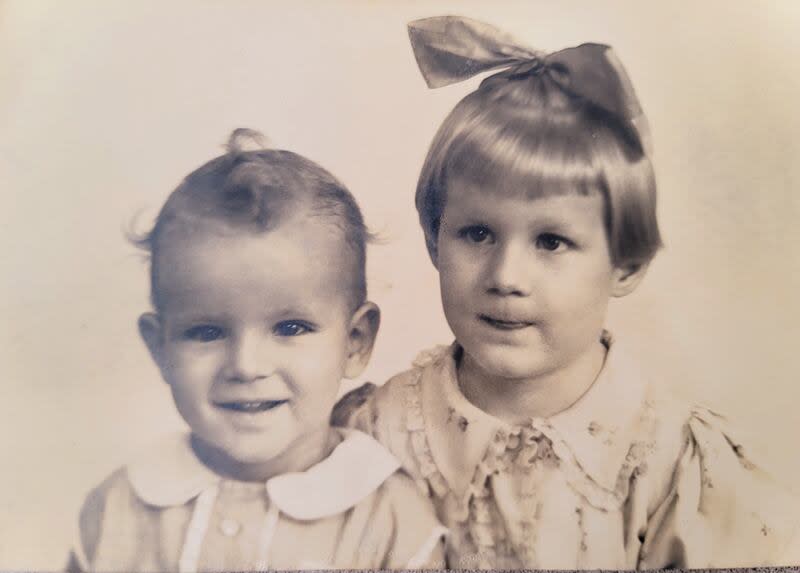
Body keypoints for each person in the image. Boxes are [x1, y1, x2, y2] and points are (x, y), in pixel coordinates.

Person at [332, 16, 800, 568]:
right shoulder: (377, 434)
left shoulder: (668, 460)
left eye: (551, 241)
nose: (506, 275)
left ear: (625, 265)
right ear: (435, 238)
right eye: (477, 233)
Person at [67, 129, 446, 572]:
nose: (246, 366)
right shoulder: (119, 509)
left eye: (290, 327)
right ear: (160, 348)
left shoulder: (390, 521)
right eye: (207, 332)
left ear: (354, 343)